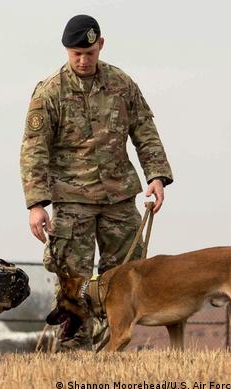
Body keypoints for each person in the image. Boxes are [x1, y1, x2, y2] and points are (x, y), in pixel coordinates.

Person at [19, 14, 174, 350]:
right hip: (72, 199)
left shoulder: (122, 84)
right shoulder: (50, 93)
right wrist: (36, 204)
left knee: (125, 275)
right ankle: (74, 345)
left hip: (119, 196)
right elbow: (34, 151)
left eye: (89, 52)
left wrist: (157, 176)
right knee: (72, 277)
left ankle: (111, 342)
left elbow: (144, 131)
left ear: (100, 45)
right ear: (66, 51)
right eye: (76, 53)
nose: (83, 60)